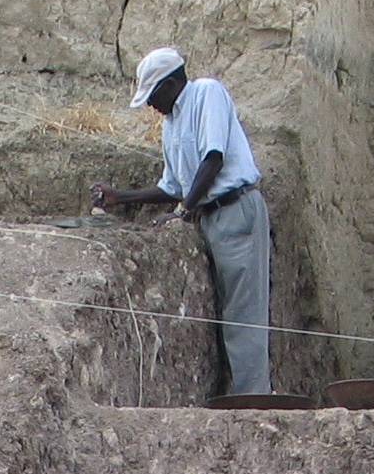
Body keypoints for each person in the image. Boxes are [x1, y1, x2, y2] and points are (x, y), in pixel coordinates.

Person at [92, 49, 272, 396]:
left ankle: (254, 401)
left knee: (244, 314)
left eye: (153, 96)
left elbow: (213, 157)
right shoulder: (171, 123)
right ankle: (242, 396)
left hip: (236, 211)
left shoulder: (207, 93)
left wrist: (185, 211)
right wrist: (120, 197)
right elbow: (171, 187)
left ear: (172, 83)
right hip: (211, 218)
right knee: (227, 313)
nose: (150, 106)